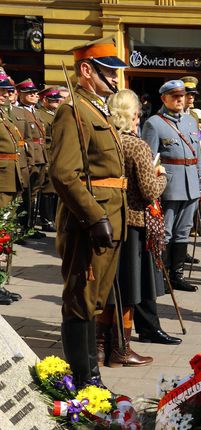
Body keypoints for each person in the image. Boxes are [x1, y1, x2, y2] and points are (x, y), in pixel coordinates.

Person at [49, 36, 128, 387]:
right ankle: (85, 380)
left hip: (109, 217)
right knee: (81, 300)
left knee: (95, 301)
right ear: (86, 70)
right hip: (89, 223)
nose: (116, 78)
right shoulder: (72, 111)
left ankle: (89, 377)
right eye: (109, 71)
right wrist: (95, 216)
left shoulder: (96, 109)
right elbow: (64, 174)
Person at [96, 88, 167, 368]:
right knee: (129, 289)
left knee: (109, 286)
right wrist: (162, 176)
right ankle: (121, 350)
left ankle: (100, 348)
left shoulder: (105, 141)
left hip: (107, 220)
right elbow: (149, 190)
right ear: (133, 114)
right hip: (134, 222)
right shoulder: (136, 145)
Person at [142, 79, 201, 292]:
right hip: (169, 186)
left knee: (183, 232)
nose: (180, 100)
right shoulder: (154, 123)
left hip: (191, 186)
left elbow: (197, 155)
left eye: (182, 96)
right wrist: (152, 188)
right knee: (165, 233)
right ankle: (161, 276)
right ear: (164, 98)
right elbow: (149, 161)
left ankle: (176, 275)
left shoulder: (190, 122)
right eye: (175, 96)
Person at [13, 78, 48, 240]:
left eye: (35, 93)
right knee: (25, 193)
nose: (34, 95)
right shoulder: (17, 112)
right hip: (29, 157)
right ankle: (23, 227)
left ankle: (31, 226)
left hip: (40, 155)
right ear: (21, 94)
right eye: (30, 93)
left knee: (35, 193)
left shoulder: (37, 112)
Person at [0, 70, 23, 305]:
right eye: (3, 91)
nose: (7, 95)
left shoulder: (4, 116)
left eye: (8, 91)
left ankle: (2, 281)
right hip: (1, 182)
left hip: (9, 181)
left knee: (6, 234)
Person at [36, 86, 64, 233]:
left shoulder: (55, 114)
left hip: (56, 155)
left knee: (55, 190)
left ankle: (53, 218)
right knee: (47, 189)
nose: (56, 103)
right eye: (53, 100)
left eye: (57, 100)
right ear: (45, 100)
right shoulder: (41, 115)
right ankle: (47, 220)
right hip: (47, 154)